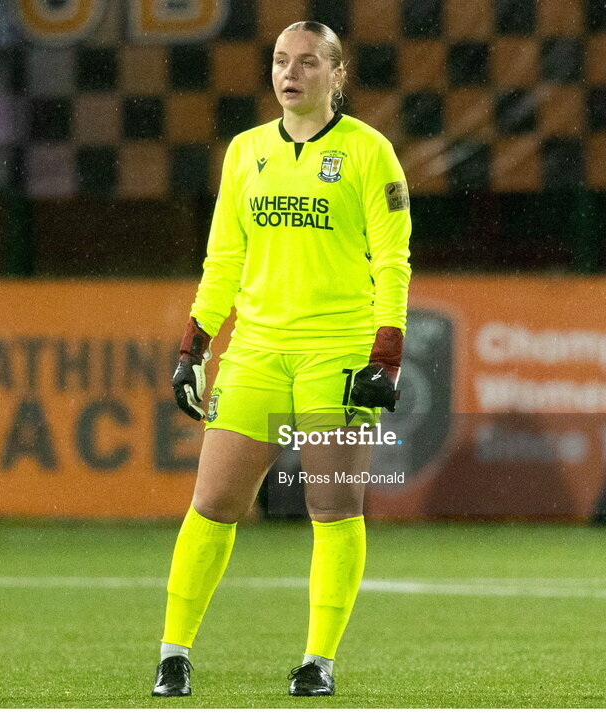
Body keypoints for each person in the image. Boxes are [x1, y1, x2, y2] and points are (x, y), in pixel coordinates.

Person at [151, 20, 411, 697]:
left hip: (338, 350)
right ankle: (173, 653)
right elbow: (224, 260)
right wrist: (193, 346)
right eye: (279, 61)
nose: (289, 73)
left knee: (333, 504)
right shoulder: (245, 152)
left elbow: (391, 260)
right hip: (258, 351)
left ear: (337, 75)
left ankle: (318, 660)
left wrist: (387, 354)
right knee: (213, 501)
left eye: (306, 62)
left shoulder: (369, 153)